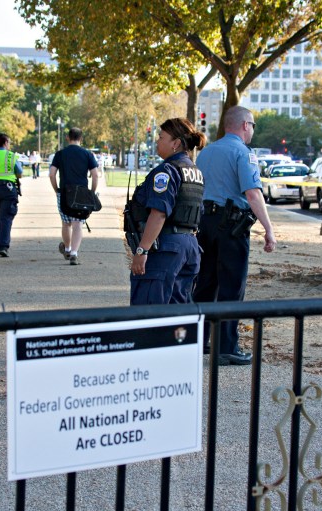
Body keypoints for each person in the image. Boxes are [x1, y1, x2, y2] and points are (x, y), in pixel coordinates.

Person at [193, 106, 277, 366]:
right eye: (252, 125)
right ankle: (227, 347)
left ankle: (199, 341)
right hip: (232, 226)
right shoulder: (244, 153)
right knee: (232, 287)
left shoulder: (205, 153)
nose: (253, 129)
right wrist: (269, 229)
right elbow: (252, 194)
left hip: (204, 223)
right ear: (243, 125)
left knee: (205, 285)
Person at [125, 118, 206, 305]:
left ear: (175, 143)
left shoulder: (167, 171)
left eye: (161, 137)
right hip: (190, 247)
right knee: (177, 317)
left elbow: (159, 212)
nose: (157, 141)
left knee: (148, 312)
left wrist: (142, 250)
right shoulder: (195, 171)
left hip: (165, 247)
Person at [49, 128, 99, 266]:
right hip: (81, 193)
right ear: (81, 138)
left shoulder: (60, 154)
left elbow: (52, 174)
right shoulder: (87, 154)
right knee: (78, 224)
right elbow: (95, 175)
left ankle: (67, 248)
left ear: (67, 138)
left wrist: (56, 190)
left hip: (64, 192)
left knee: (66, 223)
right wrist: (92, 192)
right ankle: (74, 253)